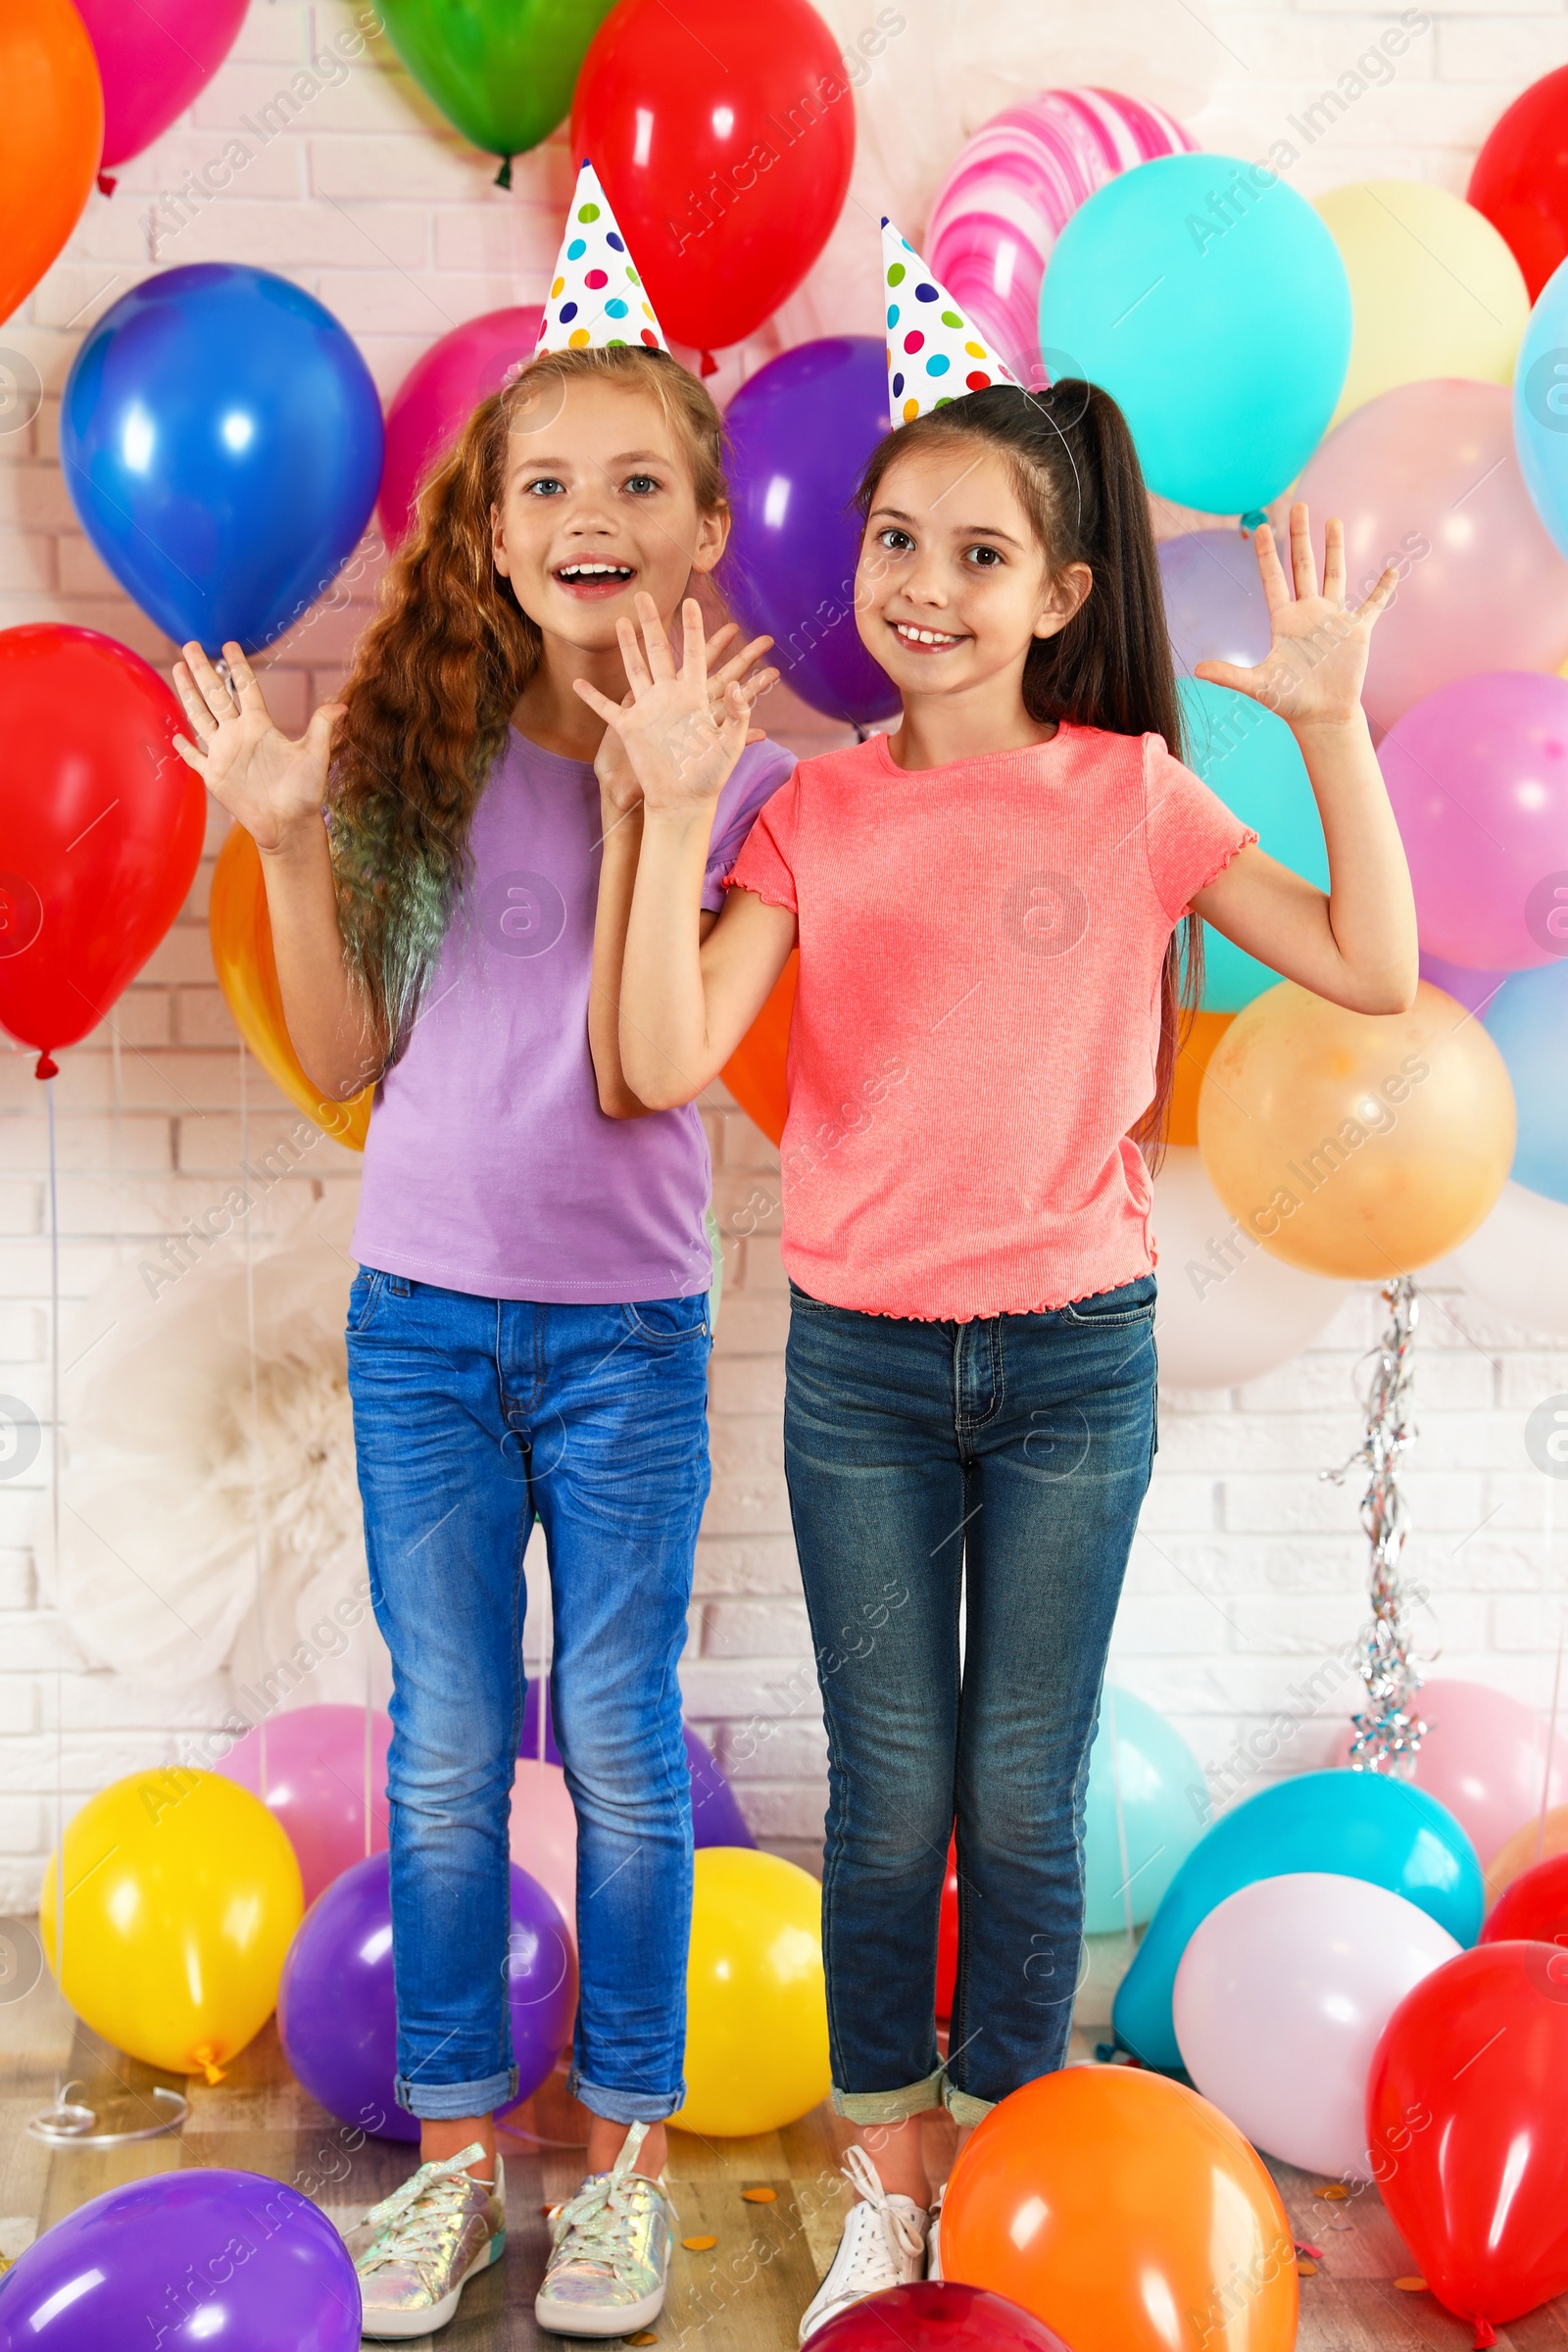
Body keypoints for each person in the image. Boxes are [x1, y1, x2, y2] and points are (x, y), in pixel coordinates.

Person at [596, 226, 1418, 2342]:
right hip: (861, 1367)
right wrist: (661, 812)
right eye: (892, 539)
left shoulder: (1130, 794)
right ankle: (892, 2184)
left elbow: (1369, 968)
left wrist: (1329, 724)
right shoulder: (810, 818)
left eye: (975, 553)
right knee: (891, 1796)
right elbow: (668, 1062)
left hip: (1070, 1361)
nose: (919, 586)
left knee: (1020, 1788)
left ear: (1058, 599)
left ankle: (1016, 2163)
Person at [168, 164, 789, 2341]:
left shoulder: (745, 776)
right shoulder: (409, 756)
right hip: (424, 1322)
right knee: (443, 1747)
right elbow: (344, 1056)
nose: (591, 510)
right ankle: (451, 2169)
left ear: (702, 530)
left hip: (623, 1335)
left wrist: (661, 799)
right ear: (495, 528)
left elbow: (645, 1077)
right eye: (549, 481)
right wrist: (282, 846)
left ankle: (608, 2175)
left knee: (613, 1740)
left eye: (639, 479)